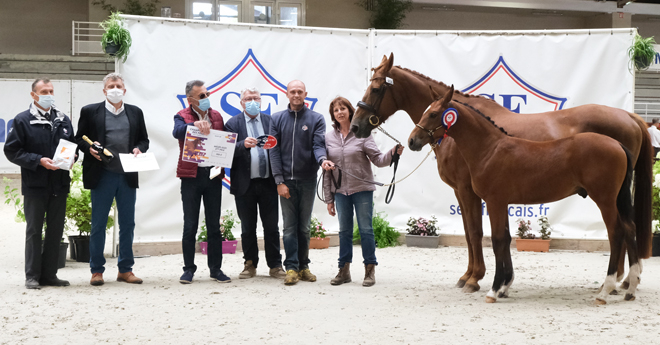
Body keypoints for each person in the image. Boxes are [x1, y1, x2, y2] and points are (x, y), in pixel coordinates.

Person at [75, 72, 149, 286]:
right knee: (98, 224)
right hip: (102, 175)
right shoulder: (90, 111)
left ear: (124, 91)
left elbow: (144, 139)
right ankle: (96, 270)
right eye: (111, 86)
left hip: (126, 175)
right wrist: (90, 149)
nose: (115, 89)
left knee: (128, 224)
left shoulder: (135, 112)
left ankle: (125, 269)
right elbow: (79, 138)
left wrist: (139, 149)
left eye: (118, 86)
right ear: (104, 90)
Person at [322, 96, 403, 287]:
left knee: (366, 230)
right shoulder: (328, 137)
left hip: (362, 189)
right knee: (344, 232)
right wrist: (329, 198)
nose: (340, 112)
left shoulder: (363, 134)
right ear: (333, 115)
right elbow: (326, 170)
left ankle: (369, 269)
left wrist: (393, 153)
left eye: (343, 108)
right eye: (336, 110)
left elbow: (378, 159)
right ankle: (344, 270)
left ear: (350, 111)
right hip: (340, 191)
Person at [4, 78, 75, 289]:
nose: (49, 94)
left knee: (55, 229)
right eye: (44, 91)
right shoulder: (22, 120)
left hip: (59, 184)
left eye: (51, 90)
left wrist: (73, 158)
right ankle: (32, 275)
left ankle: (50, 274)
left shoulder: (63, 119)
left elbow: (72, 146)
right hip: (35, 184)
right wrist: (38, 161)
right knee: (34, 230)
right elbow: (12, 151)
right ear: (33, 95)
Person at [270, 80, 333, 285]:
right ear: (286, 94)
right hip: (286, 181)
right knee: (289, 227)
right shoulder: (276, 119)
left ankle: (304, 266)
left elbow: (317, 145)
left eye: (299, 91)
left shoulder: (316, 119)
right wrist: (279, 181)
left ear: (305, 94)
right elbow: (274, 152)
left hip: (307, 180)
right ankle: (291, 268)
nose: (296, 95)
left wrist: (322, 160)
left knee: (304, 228)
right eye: (292, 92)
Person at [224, 87, 286, 279]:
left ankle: (275, 265)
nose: (252, 101)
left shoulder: (271, 121)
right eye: (248, 99)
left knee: (271, 226)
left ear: (261, 101)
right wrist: (242, 144)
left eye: (255, 98)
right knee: (247, 227)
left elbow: (279, 147)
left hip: (268, 182)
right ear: (241, 103)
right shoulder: (232, 123)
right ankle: (250, 263)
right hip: (244, 184)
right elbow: (225, 150)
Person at [172, 80, 231, 284]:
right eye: (201, 96)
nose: (206, 98)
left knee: (214, 226)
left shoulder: (216, 116)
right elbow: (177, 132)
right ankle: (188, 269)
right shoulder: (181, 116)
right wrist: (193, 125)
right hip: (191, 178)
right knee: (190, 225)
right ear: (191, 100)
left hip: (213, 176)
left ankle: (216, 269)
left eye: (207, 94)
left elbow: (223, 140)